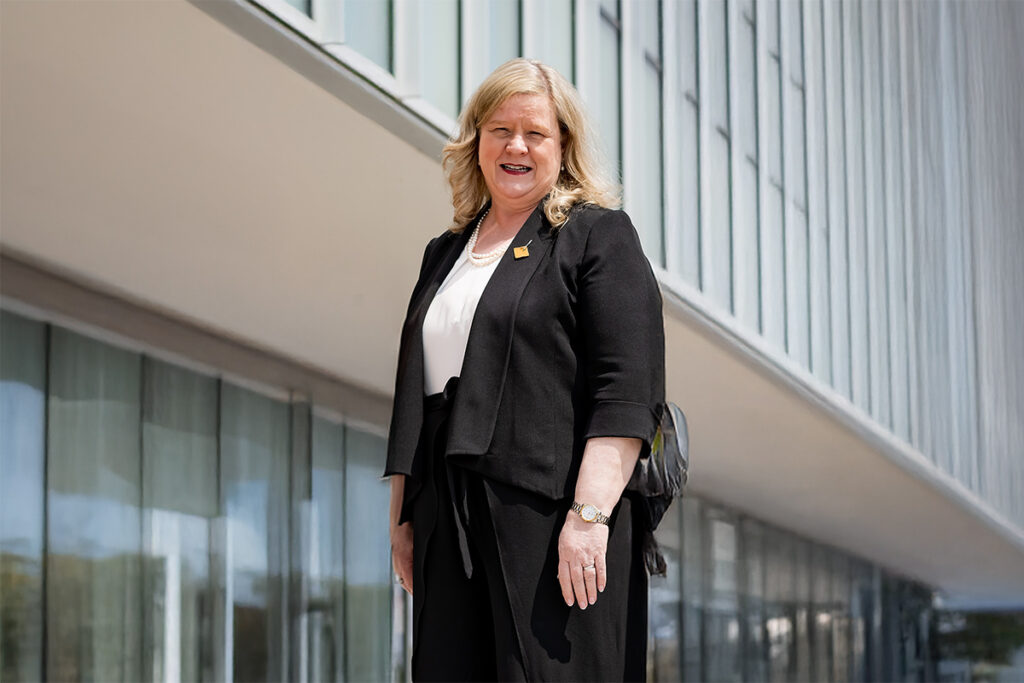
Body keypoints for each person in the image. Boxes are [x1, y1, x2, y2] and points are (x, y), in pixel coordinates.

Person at [383, 58, 665, 682]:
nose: (516, 146)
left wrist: (588, 520)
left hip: (553, 520)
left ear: (562, 146)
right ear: (475, 141)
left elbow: (627, 392)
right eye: (499, 130)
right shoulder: (444, 253)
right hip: (446, 521)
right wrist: (404, 520)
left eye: (535, 133)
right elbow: (416, 398)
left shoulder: (595, 235)